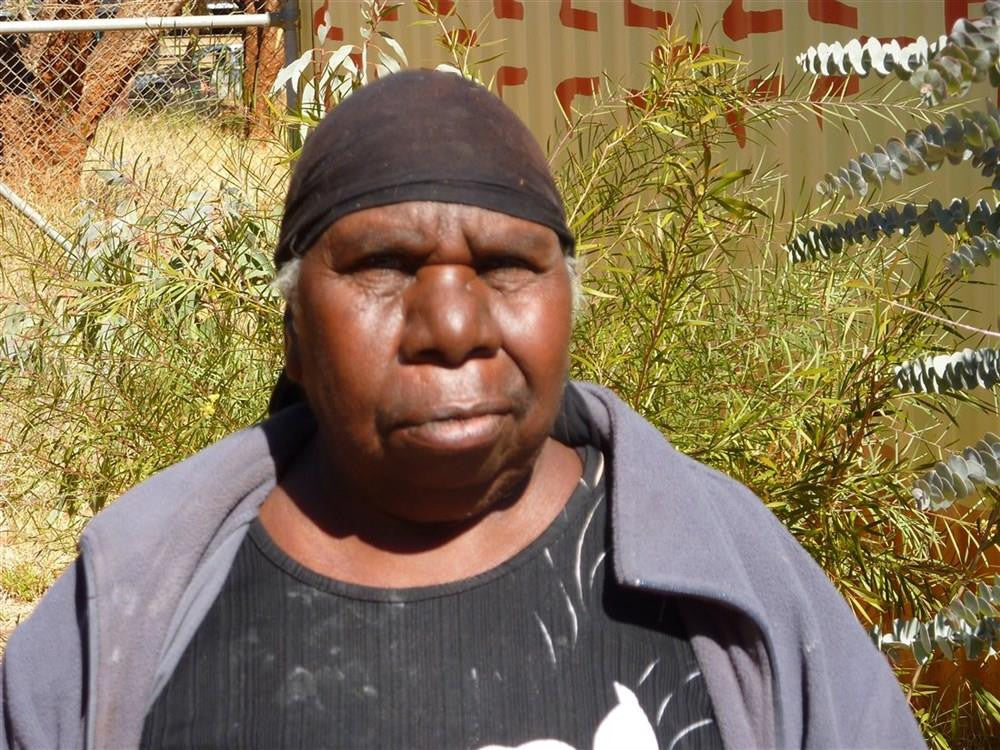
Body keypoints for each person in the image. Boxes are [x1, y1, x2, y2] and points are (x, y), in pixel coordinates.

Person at [1, 70, 923, 750]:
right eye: (384, 266)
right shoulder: (130, 602)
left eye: (508, 267)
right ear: (292, 327)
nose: (451, 325)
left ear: (570, 302)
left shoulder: (732, 582)